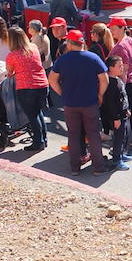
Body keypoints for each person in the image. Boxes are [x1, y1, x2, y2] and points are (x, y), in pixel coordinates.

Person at [48, 29, 110, 176]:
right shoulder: (93, 58)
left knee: (74, 135)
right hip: (90, 103)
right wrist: (100, 94)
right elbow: (104, 79)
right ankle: (98, 168)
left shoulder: (62, 60)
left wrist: (63, 93)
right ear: (82, 43)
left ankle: (75, 168)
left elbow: (52, 80)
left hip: (70, 104)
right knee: (94, 134)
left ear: (69, 43)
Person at [4, 27, 49, 152]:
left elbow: (9, 72)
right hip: (42, 85)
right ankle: (43, 139)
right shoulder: (33, 48)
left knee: (32, 116)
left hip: (26, 88)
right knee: (38, 112)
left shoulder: (12, 56)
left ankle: (38, 142)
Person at [109, 16, 132, 150]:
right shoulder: (129, 40)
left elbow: (123, 70)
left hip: (127, 82)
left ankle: (121, 147)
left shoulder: (120, 47)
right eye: (110, 28)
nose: (111, 31)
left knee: (124, 114)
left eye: (113, 28)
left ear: (122, 28)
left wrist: (119, 88)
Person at [101, 55, 131, 170]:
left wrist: (126, 110)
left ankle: (121, 154)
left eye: (122, 65)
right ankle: (116, 160)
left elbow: (122, 98)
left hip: (123, 114)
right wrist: (116, 118)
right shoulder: (110, 84)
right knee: (118, 138)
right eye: (119, 66)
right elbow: (110, 103)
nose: (122, 67)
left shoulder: (117, 79)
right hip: (117, 117)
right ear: (111, 68)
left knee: (123, 135)